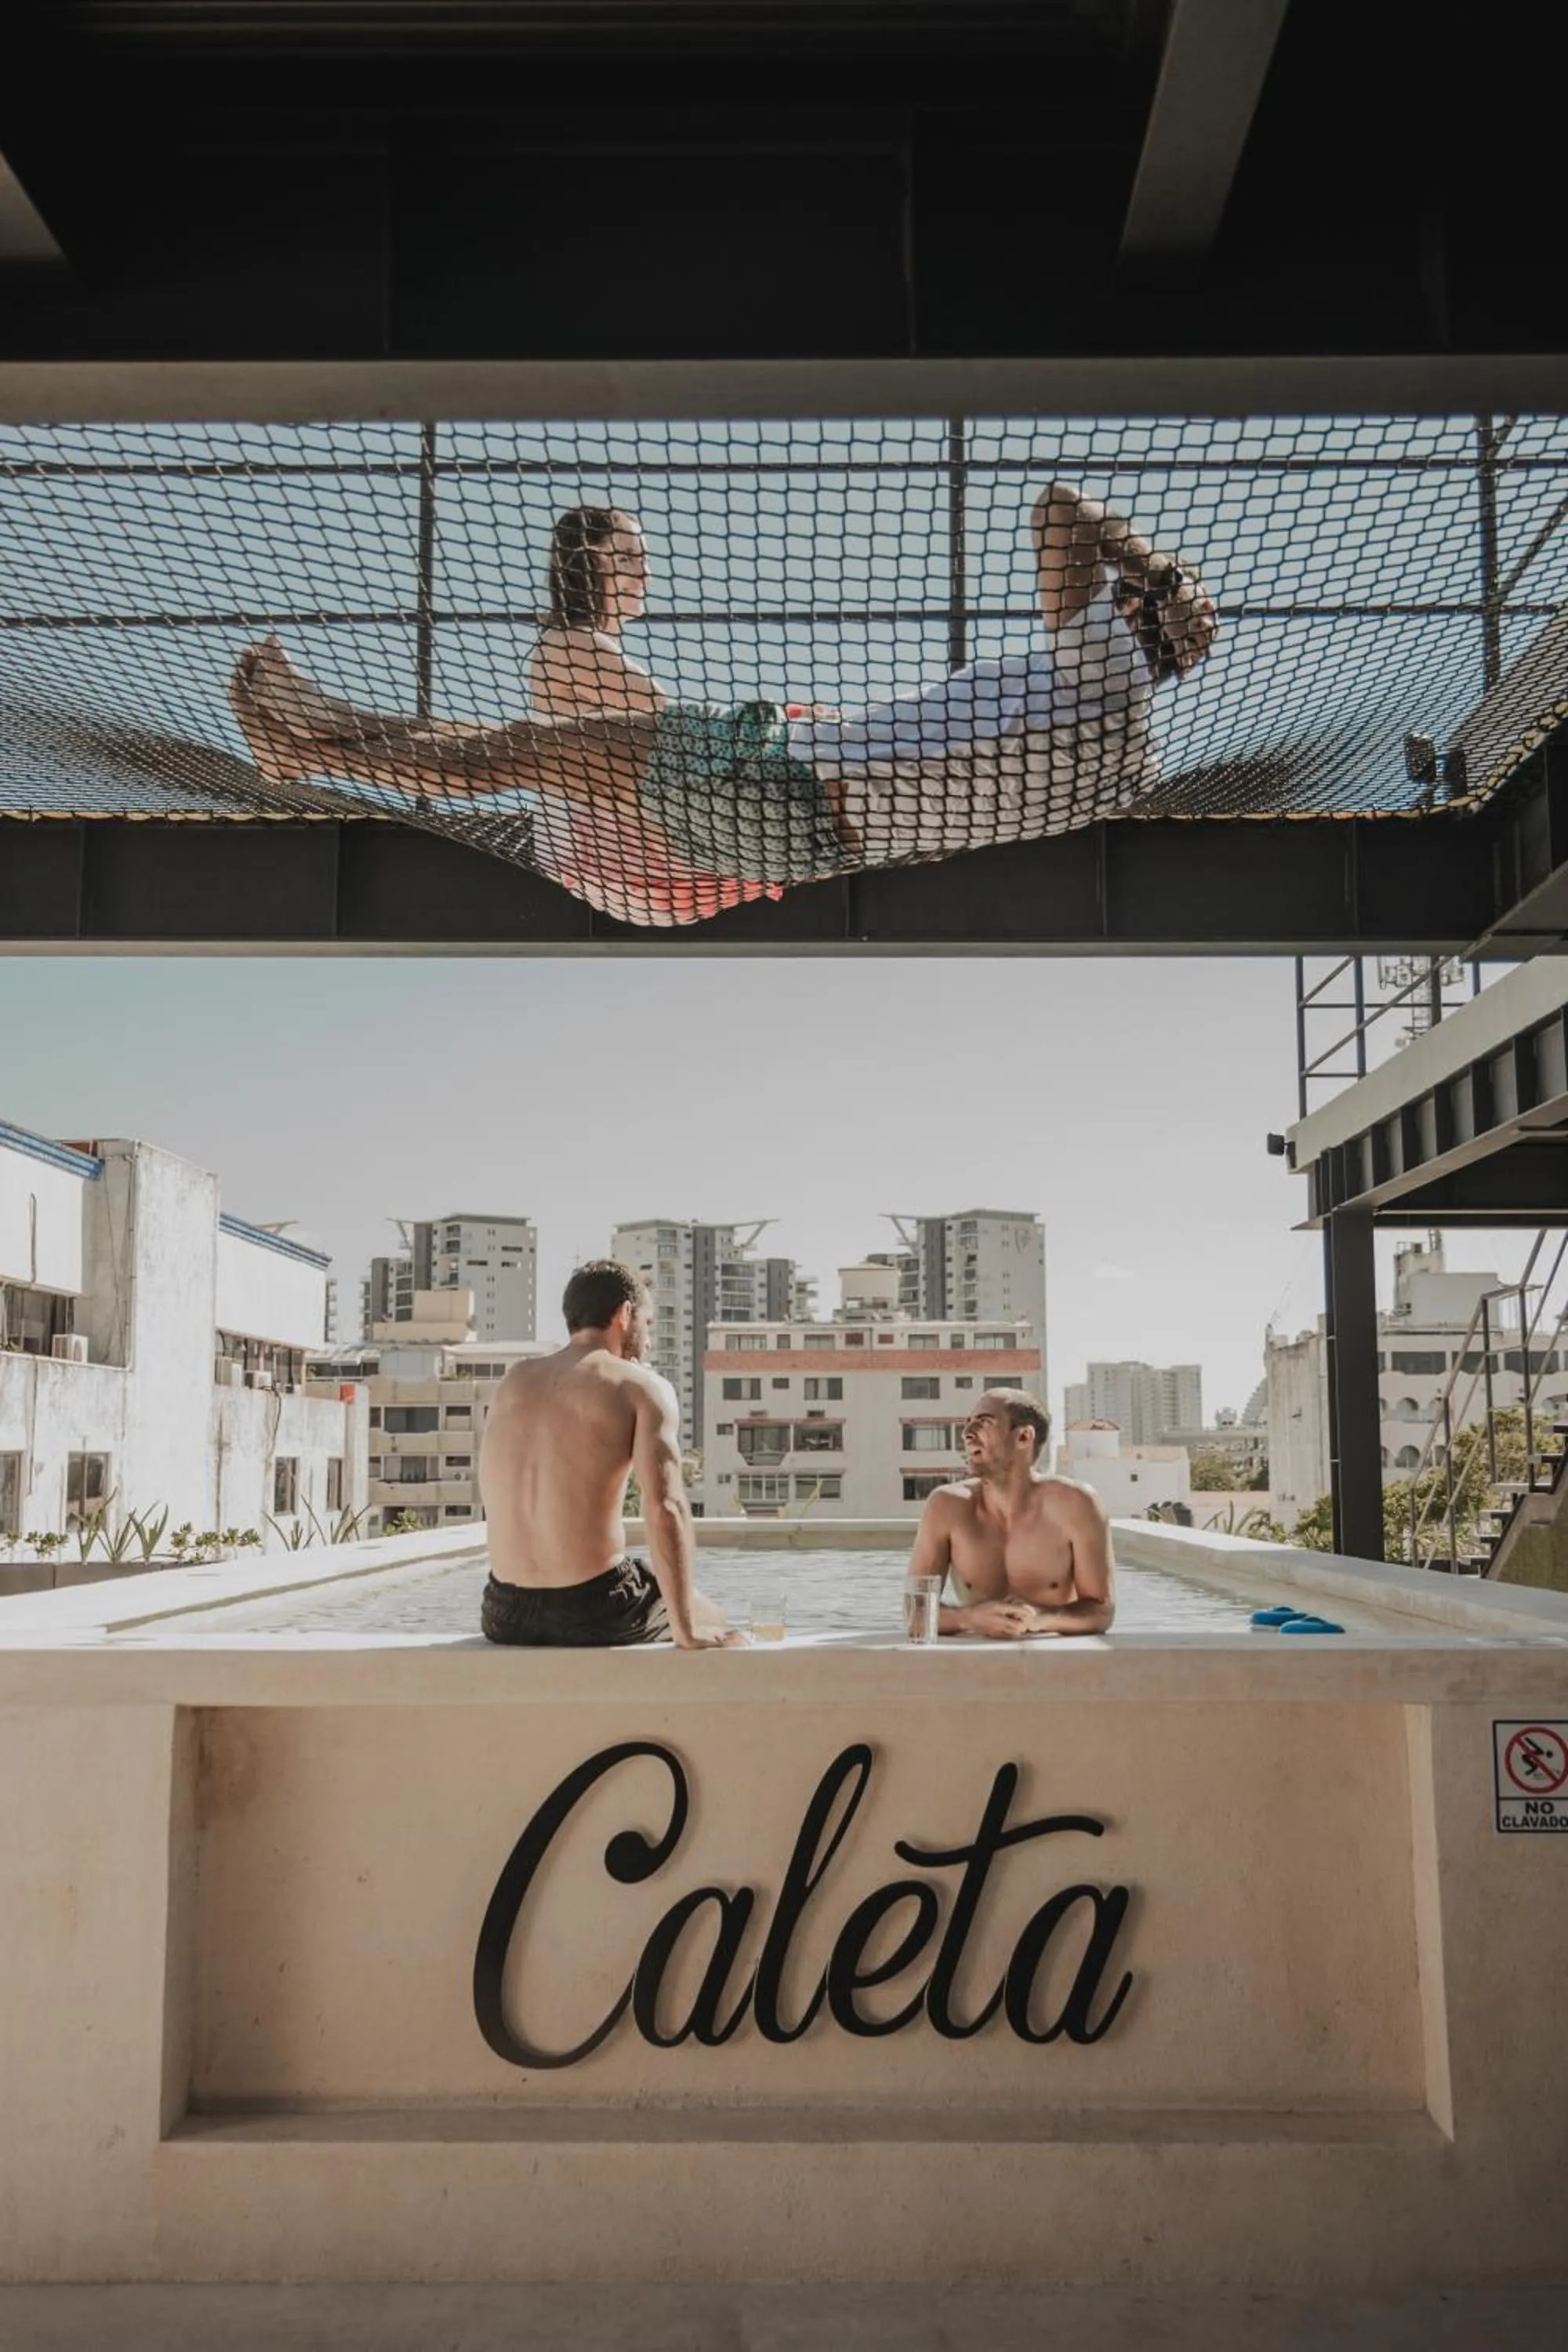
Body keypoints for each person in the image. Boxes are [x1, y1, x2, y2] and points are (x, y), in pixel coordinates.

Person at [227, 483, 1217, 925]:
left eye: (1121, 603)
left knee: (516, 751)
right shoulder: (1127, 759)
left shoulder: (1103, 663)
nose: (1103, 597)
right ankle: (313, 735)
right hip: (795, 836)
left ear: (1133, 623)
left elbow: (1061, 511)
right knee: (526, 750)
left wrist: (1161, 572)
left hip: (773, 794)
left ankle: (309, 744)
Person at [477, 1258, 738, 1650]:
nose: (647, 1339)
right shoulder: (640, 1386)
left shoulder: (514, 1382)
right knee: (715, 1619)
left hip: (502, 1612)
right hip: (592, 1609)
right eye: (647, 1324)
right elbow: (665, 1506)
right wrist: (688, 1630)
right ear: (625, 1314)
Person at [905, 1389, 1115, 1639]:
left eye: (984, 1422)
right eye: (968, 1424)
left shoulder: (1077, 1504)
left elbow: (1101, 1611)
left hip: (1051, 1664)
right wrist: (970, 1618)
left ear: (1024, 1437)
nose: (967, 1433)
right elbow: (914, 1612)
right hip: (975, 1666)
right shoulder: (946, 1506)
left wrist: (1039, 1619)